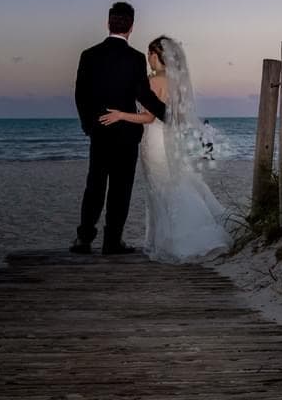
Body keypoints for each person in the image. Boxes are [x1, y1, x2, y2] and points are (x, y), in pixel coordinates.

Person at [98, 36, 230, 263]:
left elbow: (148, 117)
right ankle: (178, 237)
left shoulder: (154, 81)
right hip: (169, 138)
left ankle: (177, 242)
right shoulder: (176, 81)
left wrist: (120, 115)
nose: (148, 57)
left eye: (151, 52)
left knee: (161, 188)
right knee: (174, 183)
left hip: (155, 141)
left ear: (159, 56)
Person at [72, 2, 167, 255]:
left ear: (108, 23)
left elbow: (80, 95)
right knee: (120, 189)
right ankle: (112, 242)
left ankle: (83, 240)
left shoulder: (88, 55)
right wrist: (168, 114)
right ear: (131, 27)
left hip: (100, 133)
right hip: (126, 135)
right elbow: (143, 95)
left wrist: (89, 126)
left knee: (94, 186)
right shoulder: (135, 58)